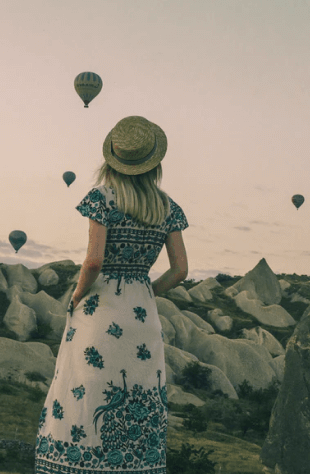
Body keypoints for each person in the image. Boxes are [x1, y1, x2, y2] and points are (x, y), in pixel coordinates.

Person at [35, 115, 189, 474]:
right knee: (140, 391)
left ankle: (76, 464)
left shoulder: (101, 198)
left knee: (84, 390)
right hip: (142, 314)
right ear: (154, 164)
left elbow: (93, 261)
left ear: (112, 161)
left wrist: (76, 295)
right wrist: (147, 290)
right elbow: (180, 270)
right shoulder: (168, 208)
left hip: (101, 309)